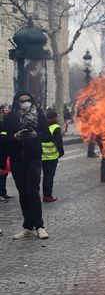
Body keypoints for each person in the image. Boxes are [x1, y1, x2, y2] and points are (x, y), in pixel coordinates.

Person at [1, 91, 51, 239]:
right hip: (17, 160)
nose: (25, 103)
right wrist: (14, 137)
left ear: (32, 100)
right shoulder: (10, 117)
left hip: (33, 158)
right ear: (17, 102)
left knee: (33, 192)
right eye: (22, 101)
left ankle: (39, 226)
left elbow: (46, 134)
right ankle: (28, 226)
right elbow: (3, 137)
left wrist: (35, 135)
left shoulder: (39, 114)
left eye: (28, 100)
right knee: (23, 193)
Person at [41, 109, 64, 203]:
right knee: (49, 177)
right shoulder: (55, 128)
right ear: (54, 118)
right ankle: (48, 196)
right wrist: (61, 153)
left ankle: (45, 194)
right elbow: (59, 143)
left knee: (45, 176)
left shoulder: (43, 126)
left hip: (43, 156)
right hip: (52, 156)